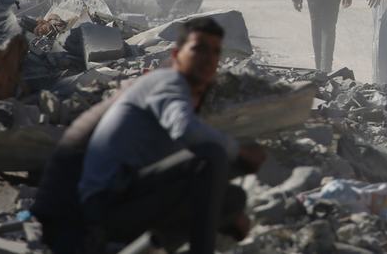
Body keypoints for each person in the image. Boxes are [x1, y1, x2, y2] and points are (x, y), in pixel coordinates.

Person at [40, 18, 267, 254]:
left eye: (215, 52)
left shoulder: (182, 92)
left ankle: (148, 247)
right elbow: (184, 129)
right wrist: (237, 150)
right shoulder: (167, 82)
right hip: (106, 206)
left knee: (231, 199)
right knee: (212, 155)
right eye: (199, 49)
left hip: (127, 198)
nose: (208, 58)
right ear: (178, 54)